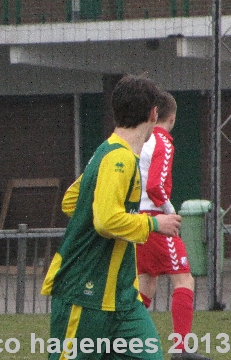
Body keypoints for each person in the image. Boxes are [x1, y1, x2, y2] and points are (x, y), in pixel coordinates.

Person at [40, 75, 182, 360]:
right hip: (85, 291)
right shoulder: (120, 158)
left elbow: (72, 201)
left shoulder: (106, 151)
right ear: (154, 113)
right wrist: (154, 223)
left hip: (122, 297)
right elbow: (105, 221)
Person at [136, 91, 210, 360]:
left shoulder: (140, 141)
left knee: (146, 283)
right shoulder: (162, 141)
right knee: (184, 279)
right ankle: (181, 349)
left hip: (136, 220)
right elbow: (156, 184)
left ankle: (125, 343)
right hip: (156, 219)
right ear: (172, 117)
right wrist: (169, 213)